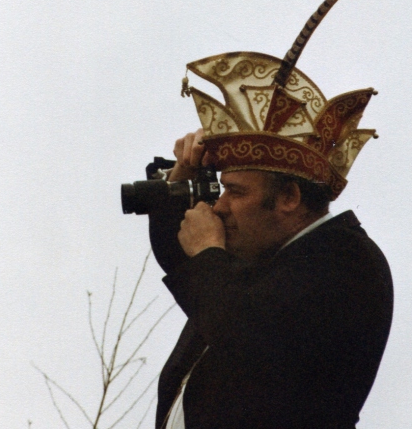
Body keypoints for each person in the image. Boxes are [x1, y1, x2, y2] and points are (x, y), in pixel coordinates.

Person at [149, 128, 393, 429]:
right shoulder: (269, 257)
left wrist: (207, 254)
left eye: (236, 192)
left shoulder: (345, 257)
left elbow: (246, 342)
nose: (219, 206)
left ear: (289, 197)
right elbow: (178, 254)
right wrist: (183, 174)